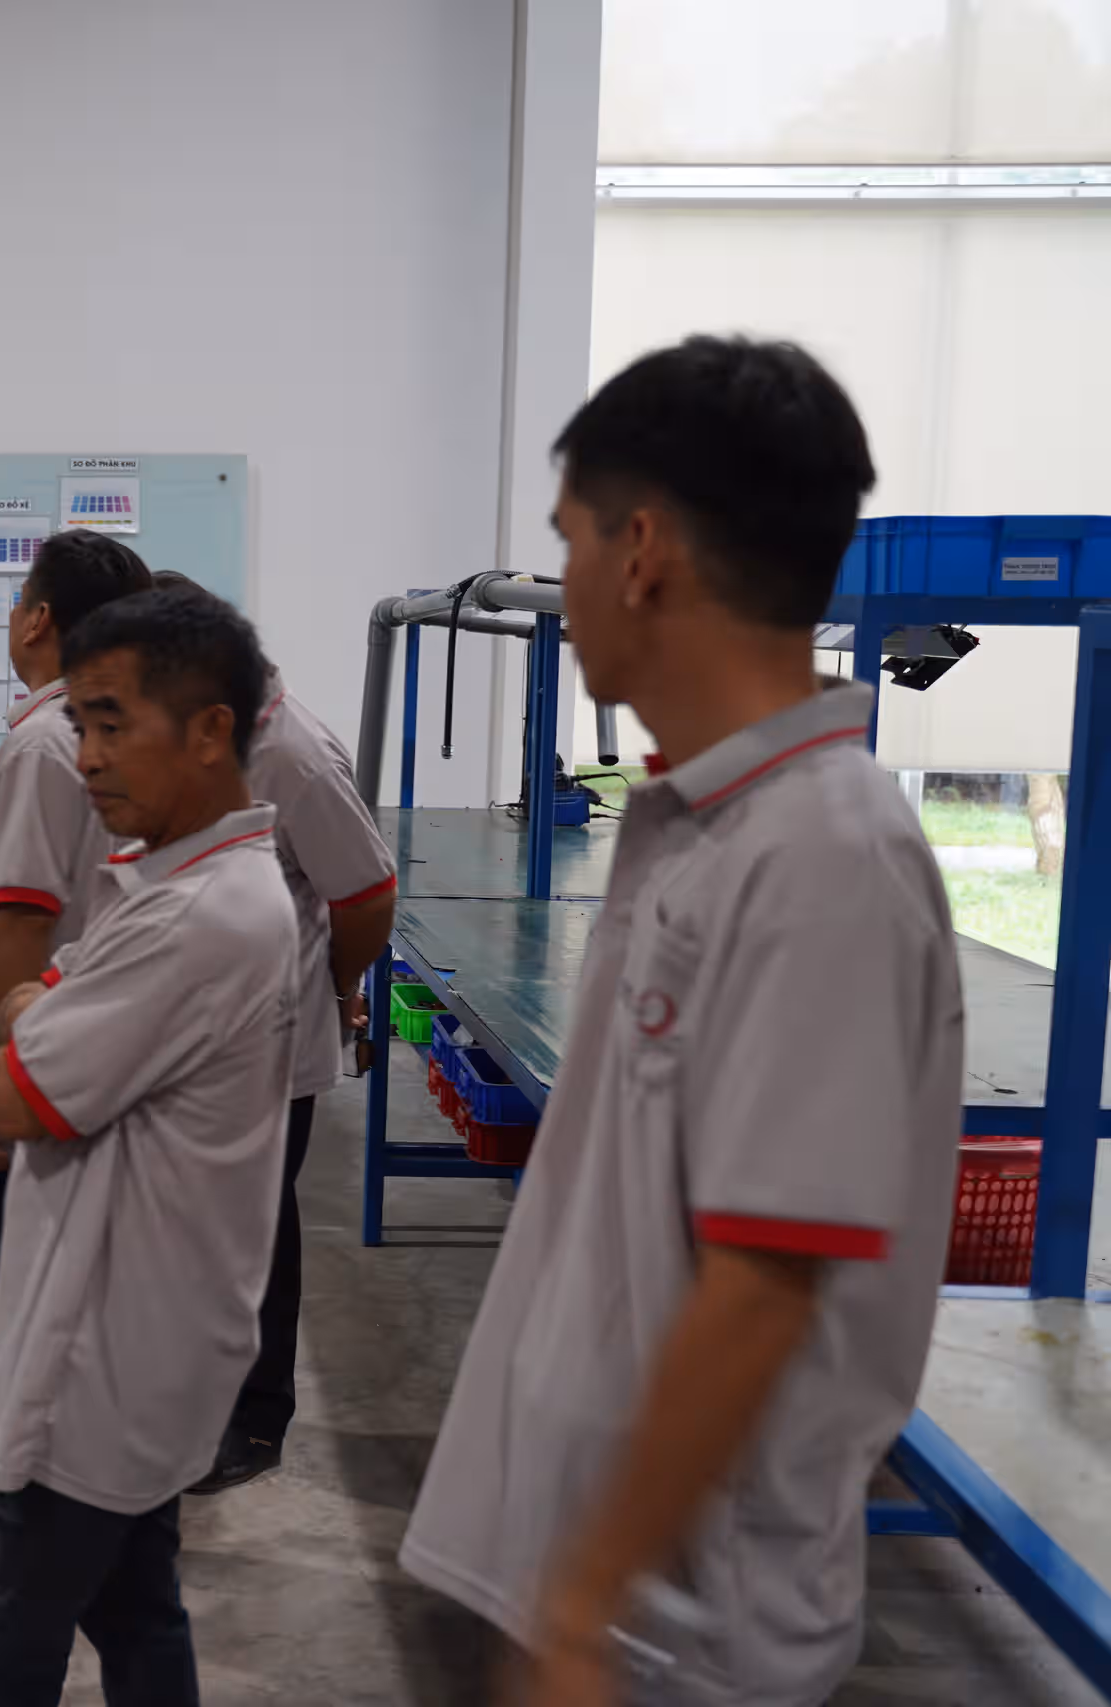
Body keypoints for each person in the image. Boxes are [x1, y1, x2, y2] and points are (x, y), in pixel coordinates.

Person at [400, 336, 963, 1707]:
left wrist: (585, 1607)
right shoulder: (699, 824)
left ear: (642, 548)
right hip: (610, 1605)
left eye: (569, 541)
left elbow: (768, 1276)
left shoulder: (823, 854)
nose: (563, 586)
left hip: (680, 1637)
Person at [0, 585, 299, 1705]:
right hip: (153, 1332)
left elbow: (15, 1097)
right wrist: (40, 1007)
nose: (88, 757)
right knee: (136, 1603)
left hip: (106, 1347)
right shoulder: (181, 886)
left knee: (10, 1611)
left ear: (209, 731)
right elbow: (43, 1004)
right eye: (80, 725)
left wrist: (29, 1016)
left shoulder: (198, 917)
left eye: (111, 724)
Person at [0, 530, 153, 1591]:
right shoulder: (117, 734)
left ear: (37, 619)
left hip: (32, 1075)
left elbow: (18, 923)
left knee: (26, 1324)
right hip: (89, 1064)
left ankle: (37, 1546)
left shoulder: (40, 745)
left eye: (19, 598)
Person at [158, 573, 396, 1495]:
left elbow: (366, 893)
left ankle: (255, 1420)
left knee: (253, 1235)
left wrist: (337, 987)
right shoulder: (213, 737)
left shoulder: (292, 753)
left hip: (270, 1040)